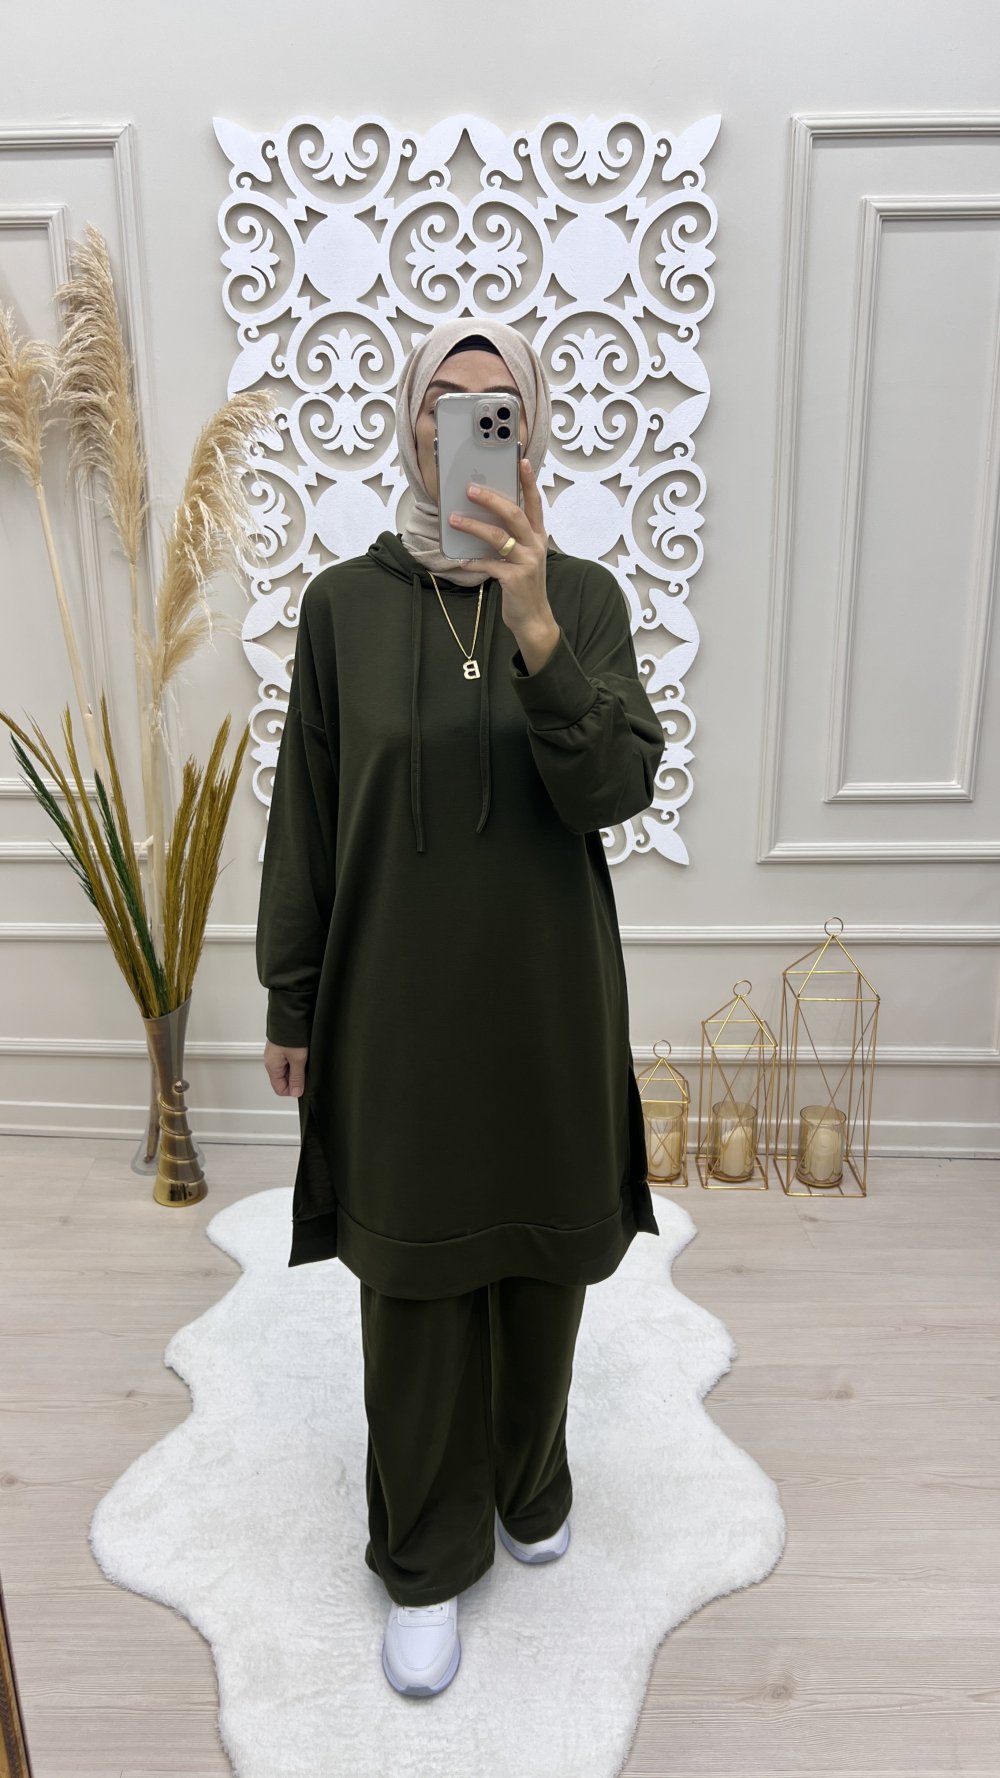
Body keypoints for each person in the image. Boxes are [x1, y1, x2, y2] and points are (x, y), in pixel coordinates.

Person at [255, 316, 665, 1698]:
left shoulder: (584, 599)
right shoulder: (343, 608)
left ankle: (528, 1478)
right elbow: (308, 814)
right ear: (413, 426)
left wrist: (537, 625)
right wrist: (291, 995)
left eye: (502, 407)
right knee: (419, 1281)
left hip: (547, 1000)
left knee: (546, 1258)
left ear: (530, 436)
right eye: (450, 400)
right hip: (397, 1007)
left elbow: (613, 790)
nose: (474, 424)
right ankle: (425, 1554)